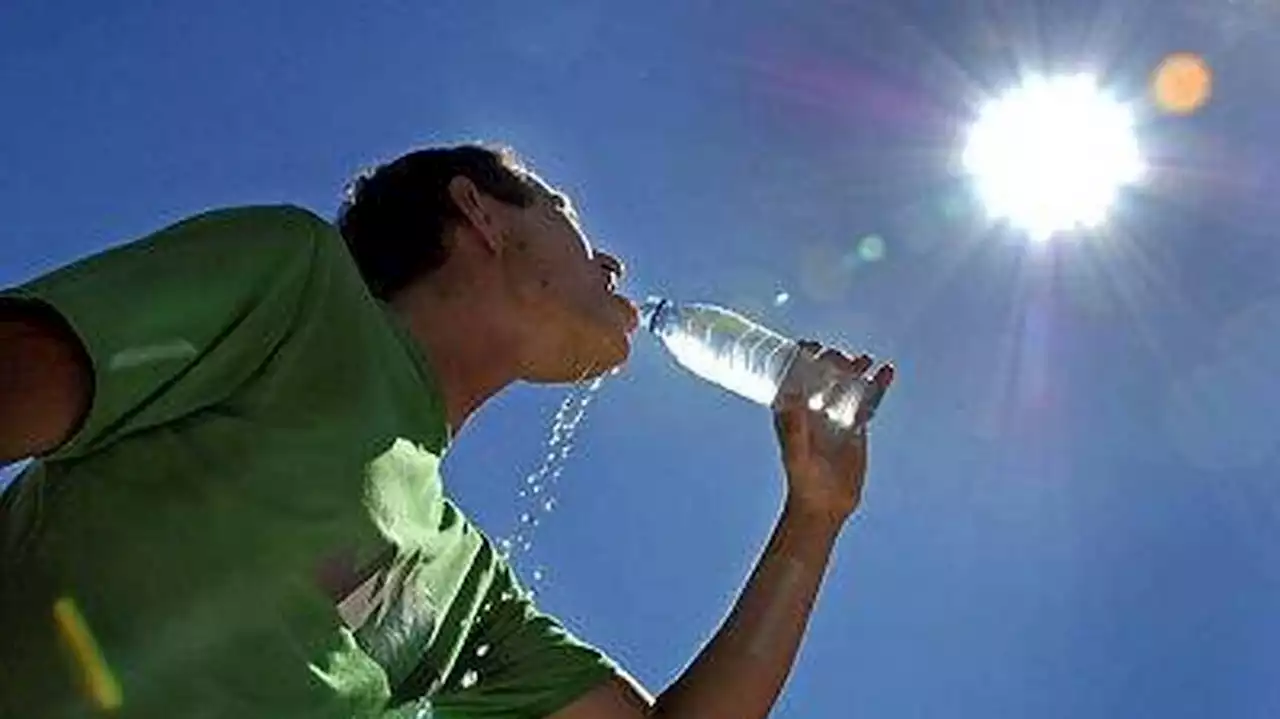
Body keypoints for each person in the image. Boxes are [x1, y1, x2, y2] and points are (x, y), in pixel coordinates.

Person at [0, 143, 895, 718]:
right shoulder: (295, 285)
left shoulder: (467, 580)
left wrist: (814, 515)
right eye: (567, 216)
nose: (611, 262)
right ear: (479, 212)